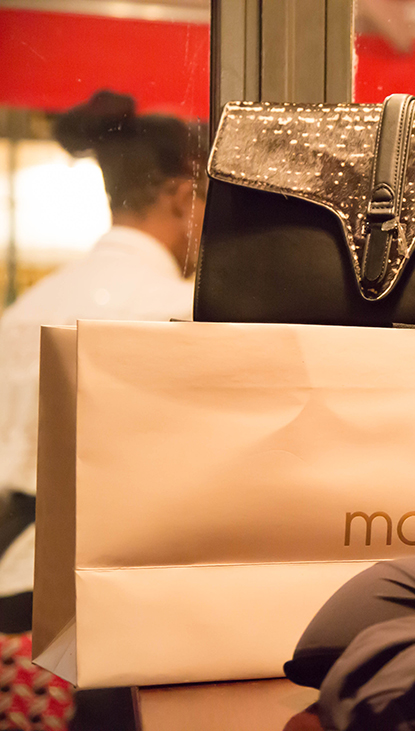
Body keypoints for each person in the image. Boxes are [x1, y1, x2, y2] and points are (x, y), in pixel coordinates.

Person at [0, 90, 207, 634]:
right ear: (182, 197)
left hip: (14, 579)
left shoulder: (27, 308)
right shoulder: (180, 310)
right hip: (112, 584)